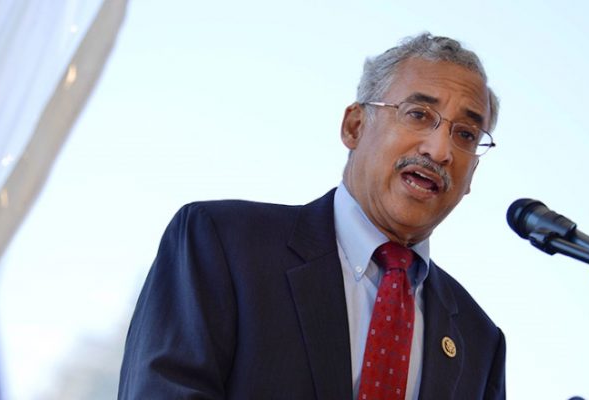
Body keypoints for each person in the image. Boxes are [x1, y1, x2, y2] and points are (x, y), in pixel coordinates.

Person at [118, 33, 505, 400]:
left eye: (467, 135)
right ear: (354, 126)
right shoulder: (222, 243)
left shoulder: (479, 341)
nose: (440, 150)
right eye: (418, 114)